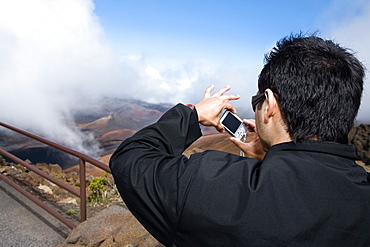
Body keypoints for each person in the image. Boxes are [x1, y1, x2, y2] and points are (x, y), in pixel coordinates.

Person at [110, 34, 370, 246]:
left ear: (269, 105)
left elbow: (131, 158)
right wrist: (271, 159)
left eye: (257, 101)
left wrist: (194, 114)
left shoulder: (211, 186)